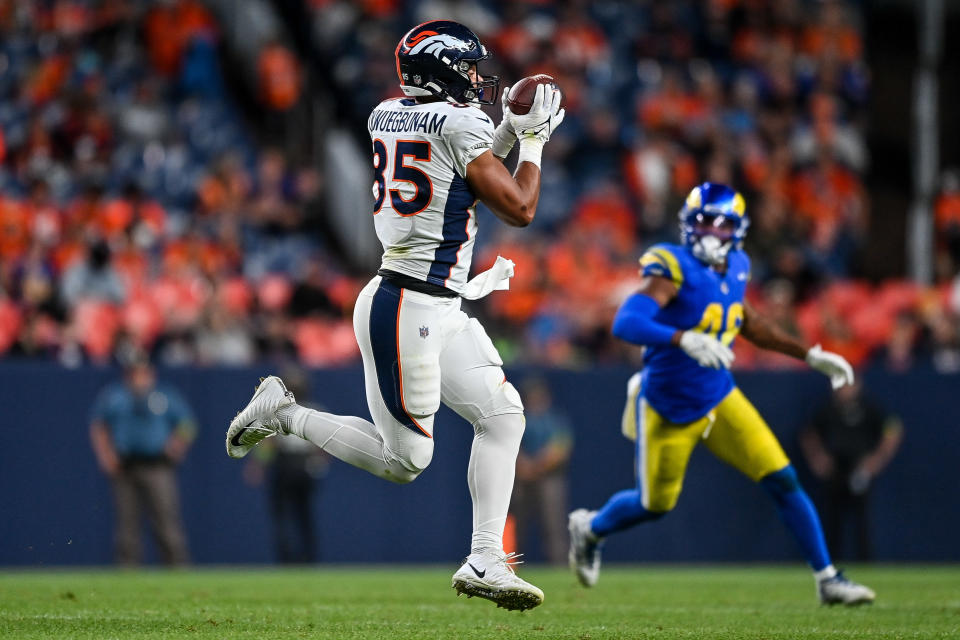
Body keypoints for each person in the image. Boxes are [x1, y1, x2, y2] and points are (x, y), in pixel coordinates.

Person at [224, 20, 565, 611]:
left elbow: (464, 168)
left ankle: (486, 556)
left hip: (435, 302)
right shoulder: (458, 123)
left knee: (503, 415)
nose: (477, 79)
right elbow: (519, 207)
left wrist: (508, 128)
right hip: (408, 306)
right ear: (442, 69)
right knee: (405, 460)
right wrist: (532, 140)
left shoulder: (388, 113)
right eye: (468, 68)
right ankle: (287, 415)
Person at [568, 183, 876, 606]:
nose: (712, 232)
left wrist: (809, 354)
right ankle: (591, 528)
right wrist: (682, 339)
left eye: (723, 224)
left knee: (783, 480)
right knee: (654, 504)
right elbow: (626, 322)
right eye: (703, 222)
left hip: (719, 396)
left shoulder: (738, 266)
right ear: (687, 226)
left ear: (738, 230)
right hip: (669, 408)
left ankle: (828, 579)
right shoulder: (670, 266)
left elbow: (748, 322)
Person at [90, 358, 196, 565]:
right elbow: (98, 425)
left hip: (157, 465)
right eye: (135, 372)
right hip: (125, 465)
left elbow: (187, 424)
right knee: (127, 524)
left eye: (143, 372)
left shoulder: (165, 395)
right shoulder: (115, 395)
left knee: (166, 521)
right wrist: (105, 455)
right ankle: (127, 572)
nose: (139, 377)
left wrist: (177, 445)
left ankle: (177, 569)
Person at [800, 380, 903, 562]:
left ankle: (866, 563)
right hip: (836, 468)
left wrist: (877, 460)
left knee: (862, 521)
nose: (845, 390)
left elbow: (893, 428)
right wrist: (818, 458)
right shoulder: (827, 408)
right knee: (832, 520)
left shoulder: (870, 407)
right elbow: (808, 433)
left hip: (859, 468)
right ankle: (829, 565)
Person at [243, 369, 330, 563]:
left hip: (287, 465)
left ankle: (289, 559)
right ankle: (306, 558)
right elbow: (324, 447)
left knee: (285, 515)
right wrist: (319, 463)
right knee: (302, 515)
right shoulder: (316, 410)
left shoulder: (278, 412)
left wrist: (258, 465)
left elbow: (269, 443)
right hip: (303, 465)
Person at [510, 378, 573, 565]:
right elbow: (511, 447)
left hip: (549, 478)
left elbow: (561, 447)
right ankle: (508, 567)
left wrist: (538, 465)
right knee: (517, 525)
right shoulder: (519, 419)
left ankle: (560, 565)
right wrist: (524, 466)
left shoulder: (555, 419)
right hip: (522, 478)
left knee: (554, 526)